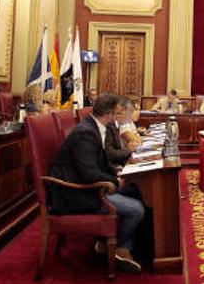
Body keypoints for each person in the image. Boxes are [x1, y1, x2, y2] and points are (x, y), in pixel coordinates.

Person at [47, 94, 144, 273]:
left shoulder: (95, 126)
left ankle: (117, 243)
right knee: (136, 208)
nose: (118, 117)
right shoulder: (86, 132)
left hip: (85, 185)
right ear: (108, 114)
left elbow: (99, 161)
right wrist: (115, 181)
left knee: (135, 190)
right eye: (116, 113)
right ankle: (117, 248)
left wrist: (115, 172)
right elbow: (88, 173)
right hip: (74, 195)